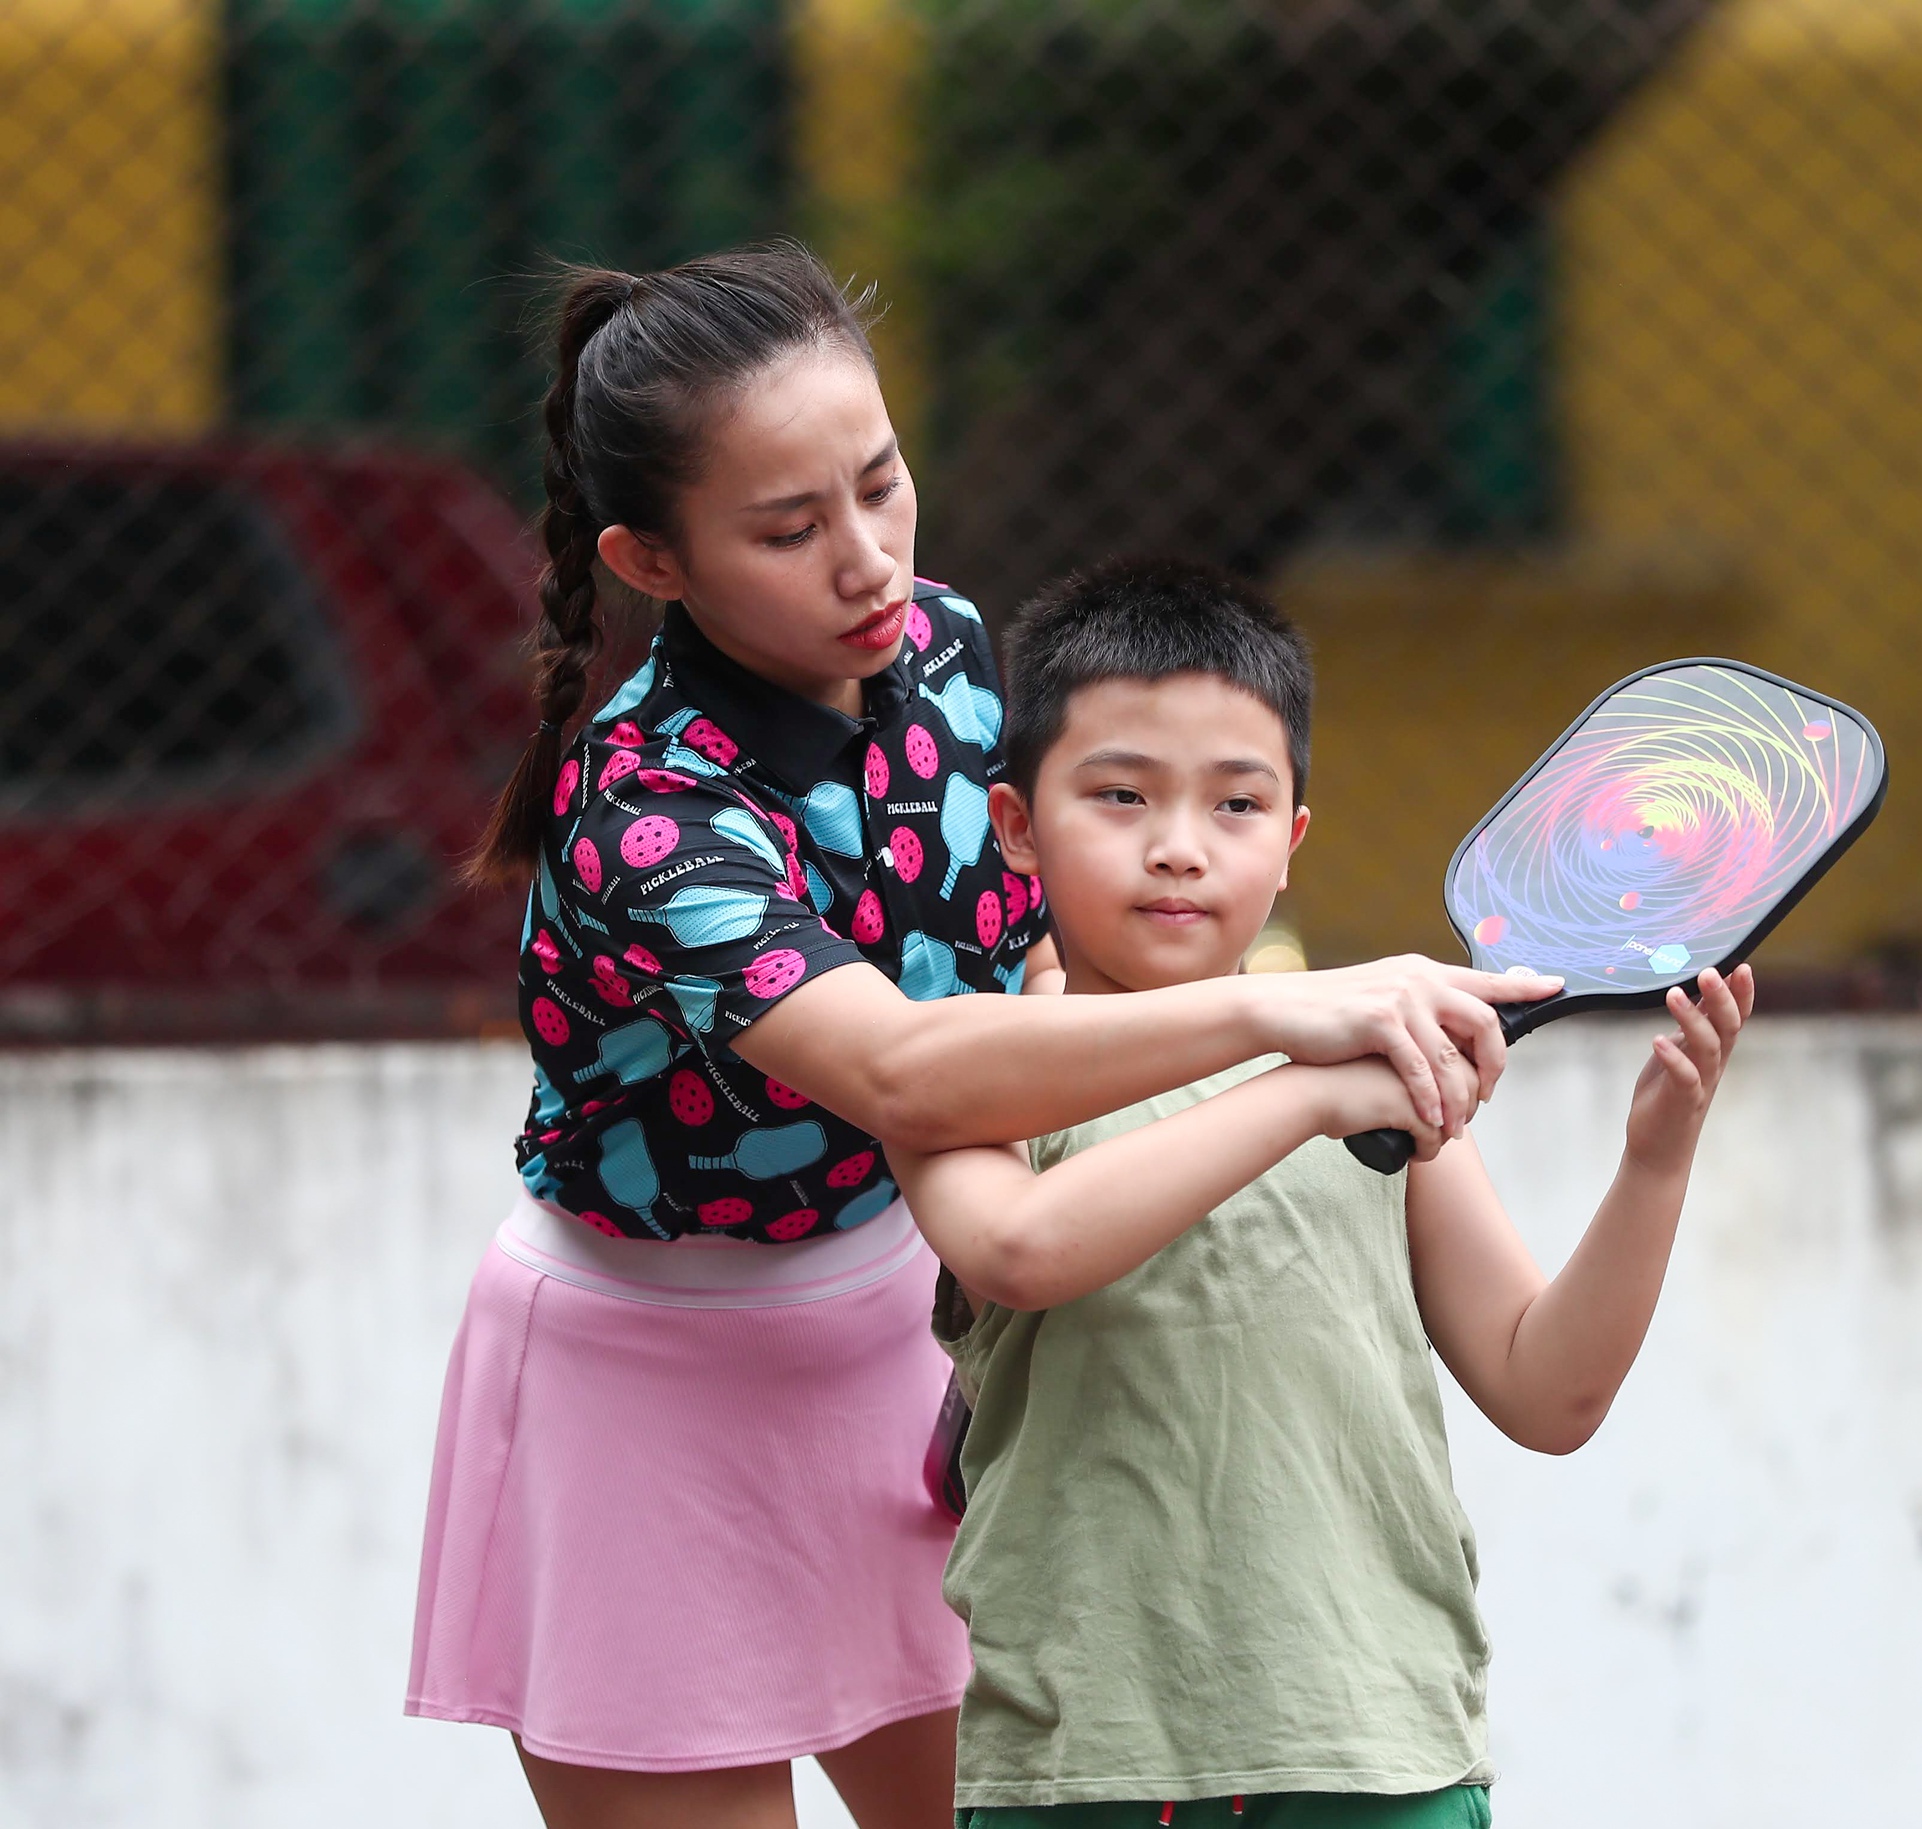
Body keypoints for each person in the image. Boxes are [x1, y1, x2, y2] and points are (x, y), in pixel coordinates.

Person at [404, 244, 1555, 1829]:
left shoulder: (945, 657)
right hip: (641, 1391)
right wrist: (1286, 1010)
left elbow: (1023, 973)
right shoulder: (643, 802)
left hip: (900, 1326)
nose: (869, 558)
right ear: (650, 561)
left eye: (882, 484)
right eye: (790, 529)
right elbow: (898, 1067)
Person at [889, 558, 1755, 1824]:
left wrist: (1656, 1161)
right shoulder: (969, 1066)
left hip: (1383, 1757)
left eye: (1235, 804)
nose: (1179, 846)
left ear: (1291, 839)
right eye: (1121, 794)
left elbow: (1549, 1389)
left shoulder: (1380, 1075)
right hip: (1087, 1773)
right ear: (1017, 825)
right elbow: (1021, 1251)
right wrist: (1304, 1090)